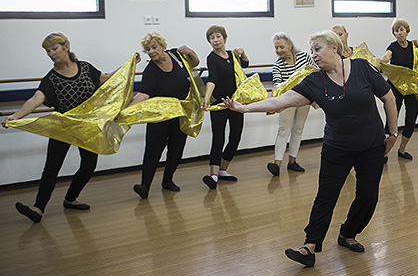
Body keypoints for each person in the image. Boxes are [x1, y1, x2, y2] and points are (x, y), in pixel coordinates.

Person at [221, 30, 398, 267]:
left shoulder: (362, 68)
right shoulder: (315, 82)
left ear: (334, 48)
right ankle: (310, 246)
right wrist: (244, 108)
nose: (313, 55)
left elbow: (389, 97)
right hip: (337, 148)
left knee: (368, 195)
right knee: (326, 196)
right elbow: (279, 101)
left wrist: (393, 132)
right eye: (311, 51)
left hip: (371, 146)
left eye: (317, 49)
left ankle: (348, 233)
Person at [3, 33, 123, 223]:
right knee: (52, 167)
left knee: (89, 165)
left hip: (86, 125)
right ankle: (38, 208)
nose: (51, 54)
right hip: (63, 126)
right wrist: (15, 116)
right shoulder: (51, 79)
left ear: (66, 46)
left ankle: (70, 199)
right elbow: (35, 99)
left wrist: (128, 65)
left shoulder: (85, 67)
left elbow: (106, 79)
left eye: (54, 49)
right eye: (48, 51)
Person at [128, 32, 199, 198]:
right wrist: (126, 109)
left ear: (162, 46)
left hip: (181, 114)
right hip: (159, 117)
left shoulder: (176, 55)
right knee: (153, 150)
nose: (151, 51)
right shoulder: (150, 71)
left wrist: (191, 52)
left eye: (154, 47)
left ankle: (168, 180)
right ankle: (145, 185)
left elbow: (194, 64)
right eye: (148, 49)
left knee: (176, 149)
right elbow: (144, 94)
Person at [201, 24, 250, 189]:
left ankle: (223, 170)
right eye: (212, 38)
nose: (215, 40)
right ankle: (213, 175)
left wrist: (242, 52)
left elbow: (245, 66)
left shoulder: (232, 55)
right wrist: (207, 97)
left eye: (218, 37)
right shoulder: (211, 58)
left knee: (236, 136)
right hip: (219, 103)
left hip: (235, 102)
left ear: (224, 38)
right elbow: (212, 79)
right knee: (218, 137)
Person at [267, 32, 314, 176]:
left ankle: (292, 161)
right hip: (287, 100)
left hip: (305, 97)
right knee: (283, 130)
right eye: (276, 48)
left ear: (290, 45)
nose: (279, 50)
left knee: (298, 128)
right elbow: (277, 84)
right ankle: (277, 164)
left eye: (282, 47)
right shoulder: (277, 66)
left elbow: (314, 71)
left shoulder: (304, 56)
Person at [379, 19, 418, 160]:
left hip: (412, 87)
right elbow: (387, 56)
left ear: (407, 31)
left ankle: (402, 149)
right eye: (396, 31)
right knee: (392, 118)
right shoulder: (393, 46)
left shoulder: (414, 45)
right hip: (395, 88)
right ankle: (385, 151)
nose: (399, 33)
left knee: (411, 119)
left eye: (401, 30)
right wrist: (381, 62)